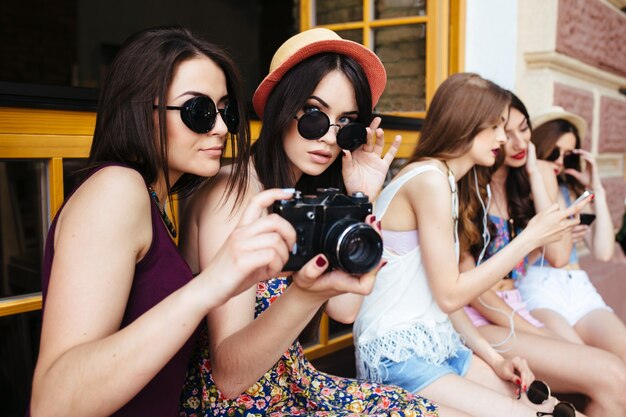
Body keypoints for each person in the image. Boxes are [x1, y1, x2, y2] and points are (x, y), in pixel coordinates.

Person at [29, 26, 301, 417]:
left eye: (226, 111)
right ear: (141, 110)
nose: (222, 128)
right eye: (199, 111)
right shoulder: (116, 189)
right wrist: (212, 283)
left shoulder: (158, 202)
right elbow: (53, 405)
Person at [178, 28, 446, 416]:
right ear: (281, 109)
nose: (330, 139)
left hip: (291, 383)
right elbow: (229, 378)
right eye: (316, 117)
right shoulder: (235, 193)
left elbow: (344, 309)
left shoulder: (301, 198)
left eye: (347, 125)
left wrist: (361, 200)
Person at [353, 73, 590, 417]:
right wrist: (530, 238)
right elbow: (451, 293)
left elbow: (442, 304)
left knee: (558, 411)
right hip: (398, 358)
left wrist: (495, 359)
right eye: (495, 126)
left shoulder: (445, 179)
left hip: (442, 345)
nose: (502, 138)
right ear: (465, 123)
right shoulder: (429, 179)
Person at [462, 94, 626, 417]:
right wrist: (532, 329)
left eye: (524, 130)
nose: (518, 141)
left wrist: (539, 173)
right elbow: (470, 286)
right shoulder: (473, 189)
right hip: (485, 314)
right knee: (604, 374)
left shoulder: (523, 187)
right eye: (505, 132)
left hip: (519, 306)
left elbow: (560, 253)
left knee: (602, 378)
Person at [520, 106, 626, 364]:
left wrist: (596, 190)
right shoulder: (526, 187)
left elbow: (603, 251)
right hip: (540, 286)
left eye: (567, 156)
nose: (559, 161)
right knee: (592, 366)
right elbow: (555, 255)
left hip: (578, 285)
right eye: (555, 152)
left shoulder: (570, 190)